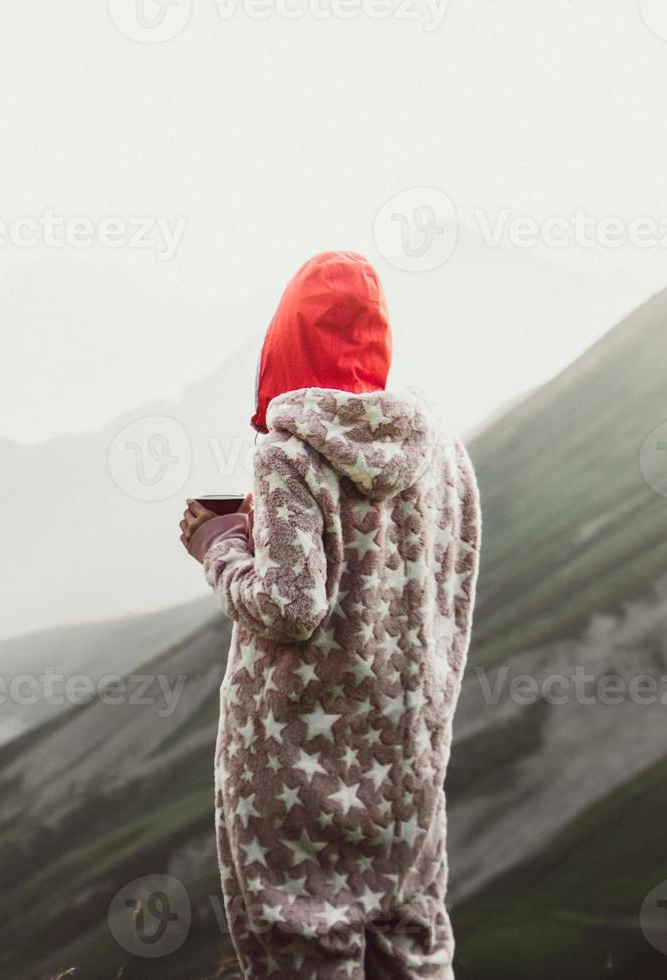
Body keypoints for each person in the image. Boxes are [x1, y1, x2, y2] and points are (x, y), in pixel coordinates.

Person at [179, 251, 480, 978]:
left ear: (284, 345)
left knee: (305, 941)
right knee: (408, 940)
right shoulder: (443, 454)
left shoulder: (291, 459)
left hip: (298, 767)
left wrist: (219, 545)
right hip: (407, 755)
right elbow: (448, 580)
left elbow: (288, 606)